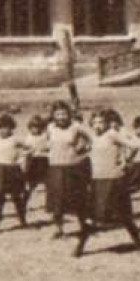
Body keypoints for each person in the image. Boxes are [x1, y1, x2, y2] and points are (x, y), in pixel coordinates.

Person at [74, 109, 140, 256]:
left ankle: (139, 243)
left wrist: (126, 161)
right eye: (94, 123)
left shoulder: (112, 134)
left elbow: (134, 146)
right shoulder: (92, 137)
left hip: (114, 180)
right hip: (97, 181)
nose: (97, 125)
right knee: (91, 217)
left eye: (101, 122)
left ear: (107, 123)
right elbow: (81, 151)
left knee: (124, 216)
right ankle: (80, 247)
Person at [44, 102, 91, 237]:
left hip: (73, 167)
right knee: (57, 200)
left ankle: (84, 226)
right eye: (58, 114)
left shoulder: (76, 126)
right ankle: (58, 229)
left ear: (69, 114)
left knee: (77, 198)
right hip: (55, 168)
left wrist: (84, 148)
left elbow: (91, 138)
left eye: (64, 114)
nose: (61, 117)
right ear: (53, 115)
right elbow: (48, 143)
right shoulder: (50, 127)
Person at [0, 113, 30, 233]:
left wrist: (22, 159)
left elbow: (29, 148)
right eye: (0, 128)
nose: (3, 130)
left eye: (6, 127)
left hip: (12, 169)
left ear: (11, 128)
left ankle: (22, 220)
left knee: (16, 197)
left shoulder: (15, 140)